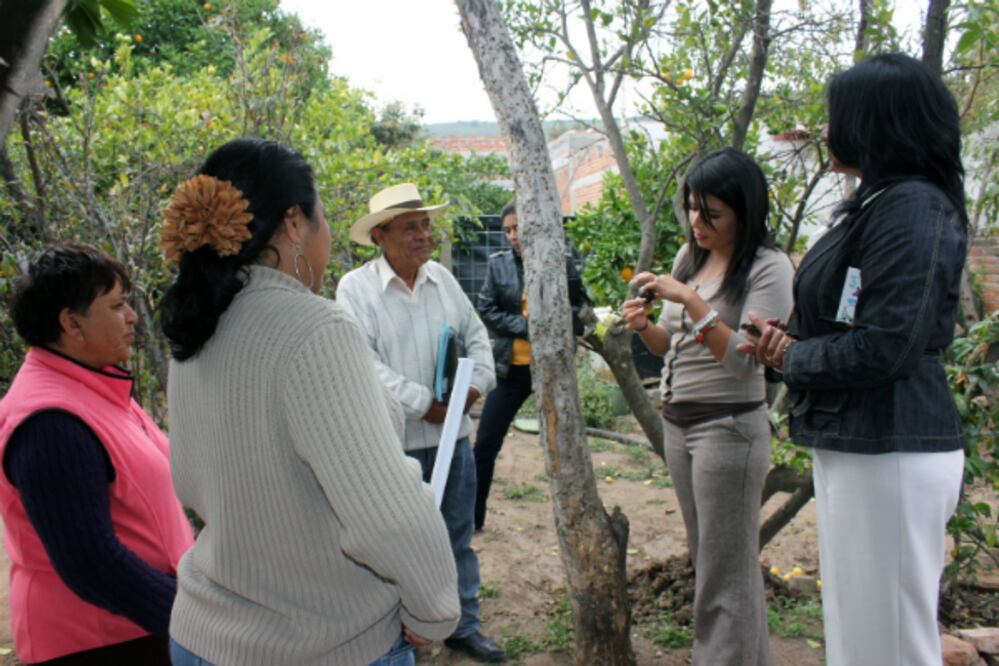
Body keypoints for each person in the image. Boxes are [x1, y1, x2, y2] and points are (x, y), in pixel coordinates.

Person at [158, 139, 460, 666]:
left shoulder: (196, 328)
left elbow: (188, 482)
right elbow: (387, 515)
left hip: (200, 635)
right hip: (319, 645)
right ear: (295, 222)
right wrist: (433, 610)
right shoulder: (315, 329)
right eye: (322, 216)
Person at [739, 53, 968, 666]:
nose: (826, 129)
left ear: (876, 123)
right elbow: (856, 319)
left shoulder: (913, 208)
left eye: (836, 115)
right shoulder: (880, 203)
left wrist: (794, 355)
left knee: (888, 643)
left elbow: (889, 343)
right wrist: (790, 340)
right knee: (861, 635)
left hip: (891, 447)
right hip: (862, 443)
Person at [622, 148, 793, 665]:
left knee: (726, 572)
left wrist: (693, 301)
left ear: (745, 211)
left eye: (712, 213)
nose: (697, 222)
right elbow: (667, 344)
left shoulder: (768, 267)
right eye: (693, 208)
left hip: (728, 429)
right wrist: (643, 326)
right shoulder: (690, 256)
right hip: (680, 424)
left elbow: (743, 363)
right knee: (713, 562)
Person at [0, 243, 194, 665]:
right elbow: (91, 563)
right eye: (118, 306)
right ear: (72, 323)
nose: (132, 317)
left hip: (143, 627)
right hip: (99, 640)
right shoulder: (50, 423)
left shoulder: (95, 386)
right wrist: (194, 617)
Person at [336, 183, 504, 663]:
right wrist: (426, 404)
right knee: (399, 543)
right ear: (380, 235)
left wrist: (474, 389)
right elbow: (364, 365)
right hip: (395, 444)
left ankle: (460, 624)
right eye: (410, 227)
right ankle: (402, 630)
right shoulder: (356, 289)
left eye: (426, 225)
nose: (424, 235)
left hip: (455, 439)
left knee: (456, 533)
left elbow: (479, 339)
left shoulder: (443, 281)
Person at [473, 199, 589, 531]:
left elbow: (583, 306)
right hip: (512, 369)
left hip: (553, 369)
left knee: (565, 446)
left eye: (518, 228)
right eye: (507, 230)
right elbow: (486, 308)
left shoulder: (560, 261)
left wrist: (559, 321)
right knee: (485, 444)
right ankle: (472, 519)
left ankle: (576, 521)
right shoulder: (498, 265)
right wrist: (528, 327)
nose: (512, 236)